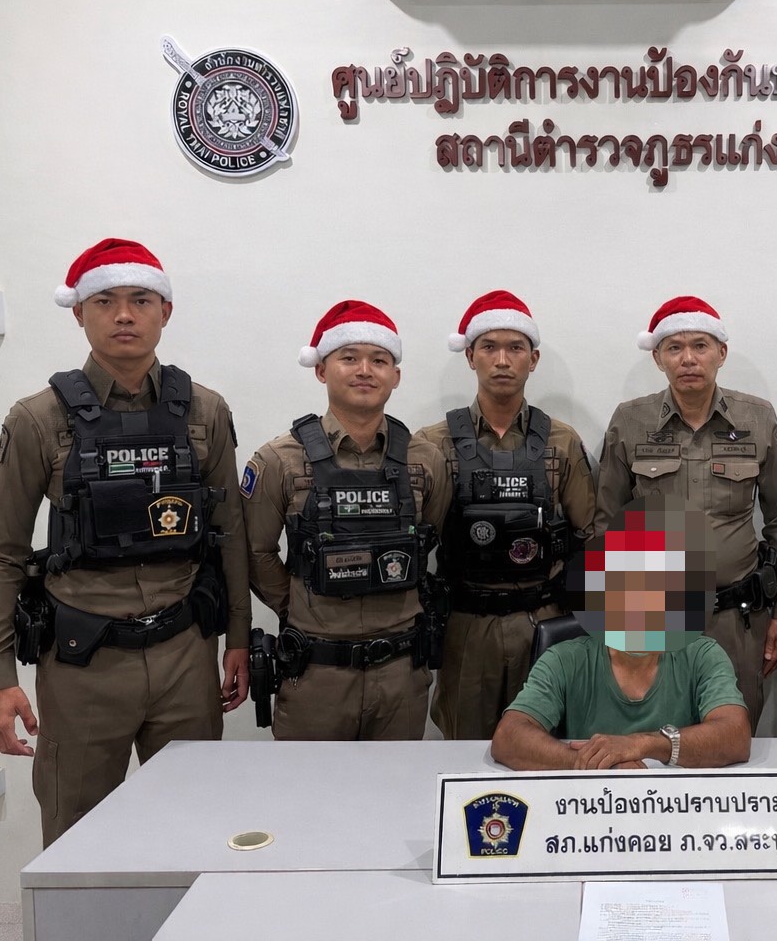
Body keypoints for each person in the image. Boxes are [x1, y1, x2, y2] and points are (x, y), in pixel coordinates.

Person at [0, 239, 249, 845]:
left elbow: (228, 534)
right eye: (105, 301)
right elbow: (3, 555)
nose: (124, 314)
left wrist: (237, 639)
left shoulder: (205, 410)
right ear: (79, 312)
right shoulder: (38, 418)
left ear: (165, 311)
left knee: (197, 828)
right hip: (83, 662)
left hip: (185, 655)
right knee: (77, 838)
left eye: (141, 300)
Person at [242, 300, 451, 740]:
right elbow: (256, 553)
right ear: (321, 370)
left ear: (396, 375)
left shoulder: (426, 459)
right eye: (349, 358)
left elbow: (430, 536)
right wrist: (299, 605)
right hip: (316, 675)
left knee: (397, 784)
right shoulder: (279, 459)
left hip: (401, 674)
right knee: (309, 785)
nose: (365, 371)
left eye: (379, 360)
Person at [592, 296, 777, 731]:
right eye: (675, 347)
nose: (688, 358)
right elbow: (606, 522)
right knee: (652, 735)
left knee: (732, 733)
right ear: (657, 358)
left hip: (736, 618)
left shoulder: (757, 418)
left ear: (721, 353)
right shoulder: (630, 421)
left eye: (700, 346)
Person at [414, 290, 596, 740]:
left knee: (547, 746)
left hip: (545, 623)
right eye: (489, 347)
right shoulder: (433, 444)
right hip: (466, 626)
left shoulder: (562, 442)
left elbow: (590, 536)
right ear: (470, 356)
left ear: (533, 360)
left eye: (515, 348)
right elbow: (418, 541)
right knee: (466, 748)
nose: (501, 360)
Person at [491, 498, 750, 770]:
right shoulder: (564, 659)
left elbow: (735, 736)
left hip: (676, 794)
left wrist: (645, 744)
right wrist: (596, 764)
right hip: (587, 793)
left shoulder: (703, 655)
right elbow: (509, 737)